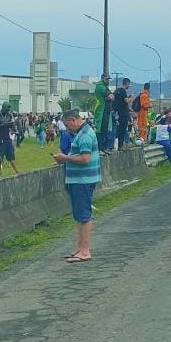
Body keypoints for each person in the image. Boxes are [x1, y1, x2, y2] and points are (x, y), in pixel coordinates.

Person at [53, 110, 101, 263]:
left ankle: (85, 251)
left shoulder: (85, 135)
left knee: (84, 215)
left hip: (83, 180)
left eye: (68, 126)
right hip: (78, 180)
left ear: (73, 120)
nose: (68, 129)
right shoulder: (82, 133)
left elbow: (85, 158)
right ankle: (80, 248)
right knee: (79, 215)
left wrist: (65, 157)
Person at [0, 102, 20, 175]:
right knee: (0, 156)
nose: (7, 112)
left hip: (7, 138)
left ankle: (17, 171)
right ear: (3, 108)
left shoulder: (9, 115)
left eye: (8, 110)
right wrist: (1, 125)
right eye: (6, 110)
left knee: (11, 155)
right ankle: (0, 173)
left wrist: (12, 128)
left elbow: (11, 125)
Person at [93, 73, 113, 152]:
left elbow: (111, 96)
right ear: (103, 79)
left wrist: (110, 97)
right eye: (107, 79)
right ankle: (99, 148)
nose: (108, 81)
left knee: (105, 129)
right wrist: (109, 97)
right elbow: (111, 96)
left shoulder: (105, 87)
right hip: (101, 110)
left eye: (108, 79)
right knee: (100, 129)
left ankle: (103, 148)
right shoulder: (100, 86)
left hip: (106, 110)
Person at [114, 78, 132, 150]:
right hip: (123, 114)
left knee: (119, 130)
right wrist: (131, 98)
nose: (129, 86)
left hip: (118, 113)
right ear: (126, 84)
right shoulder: (123, 91)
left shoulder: (117, 90)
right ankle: (120, 146)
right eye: (129, 84)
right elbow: (126, 101)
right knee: (122, 130)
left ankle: (118, 145)